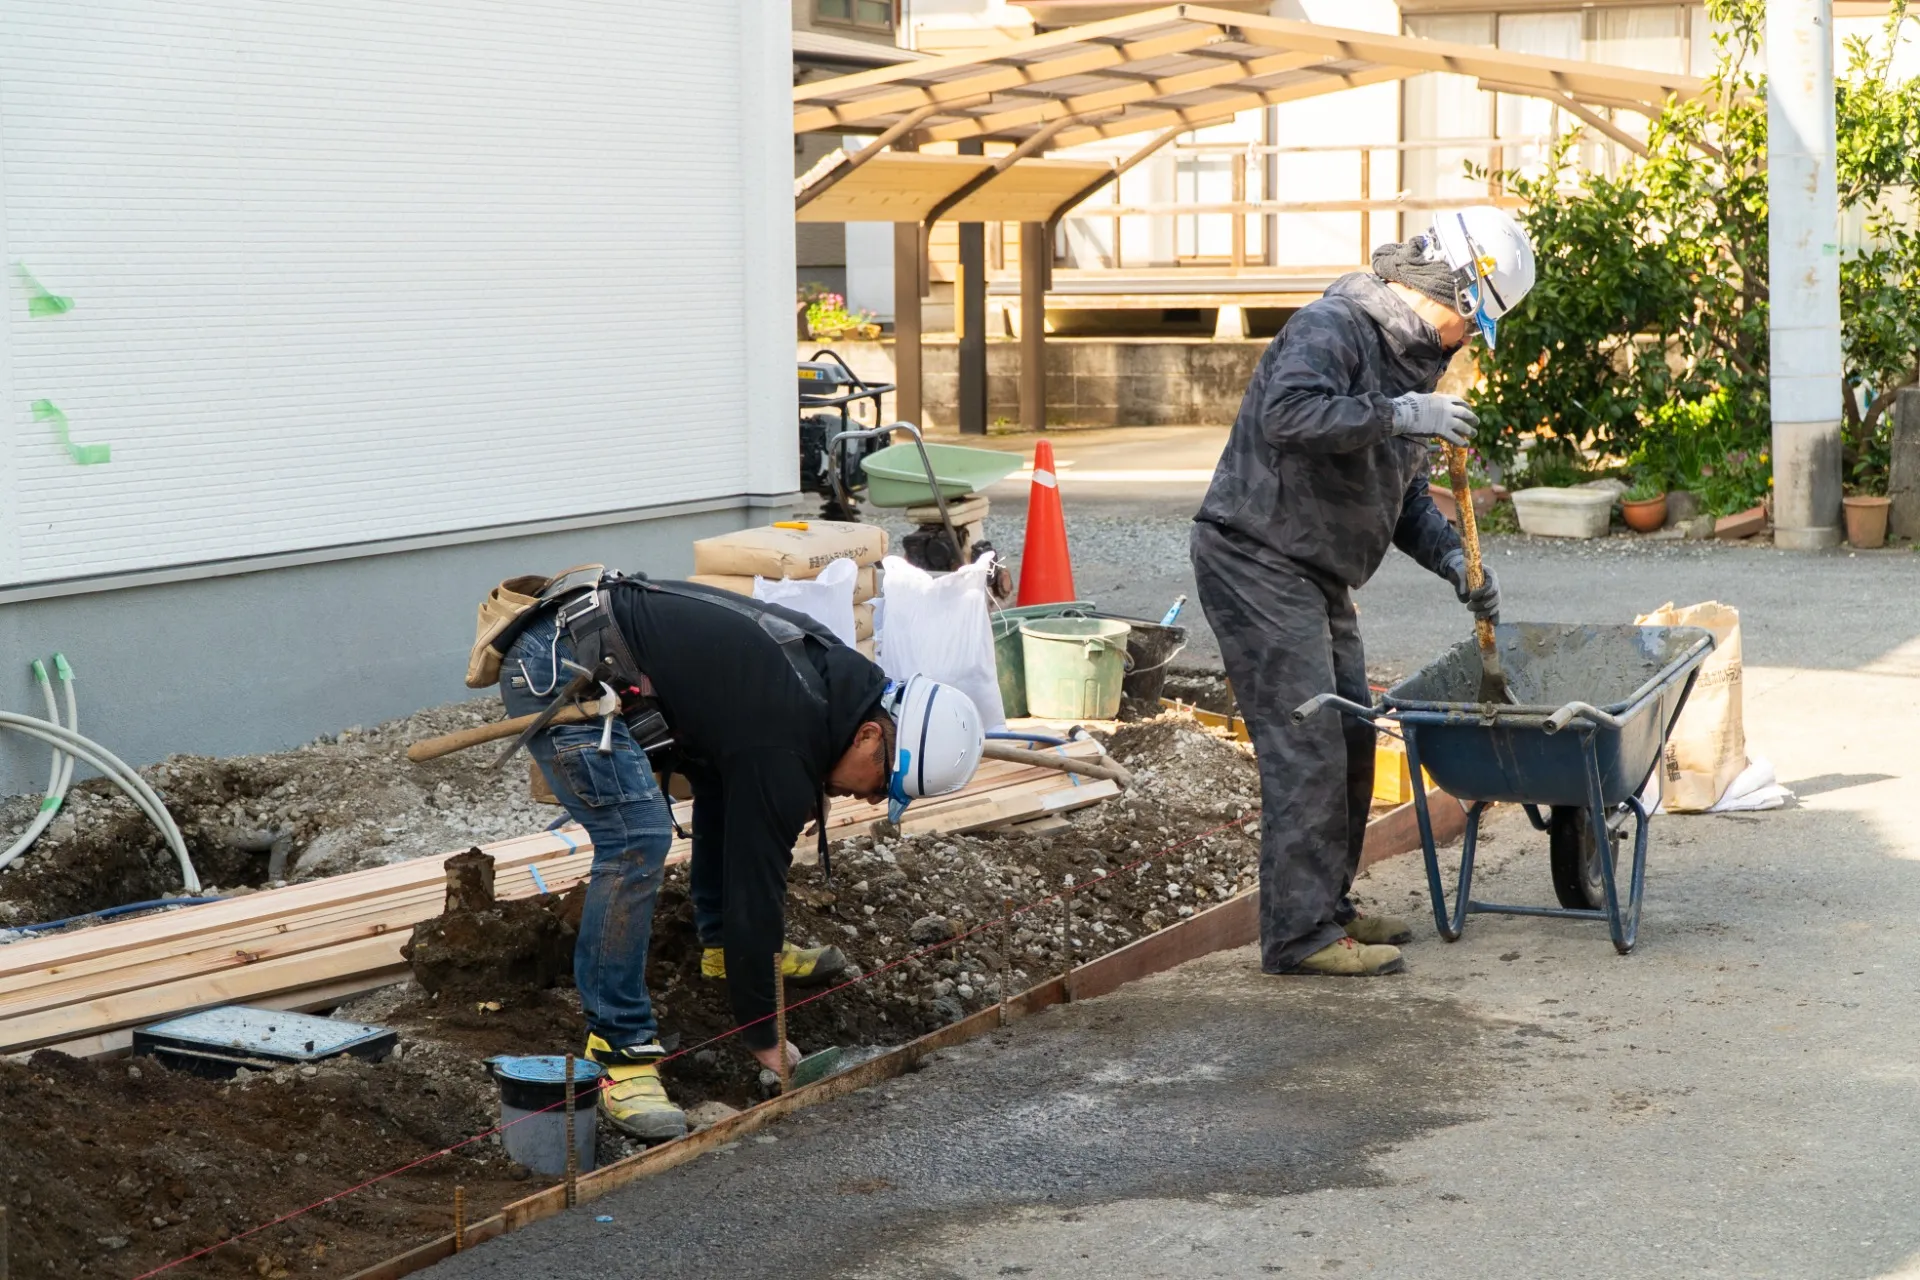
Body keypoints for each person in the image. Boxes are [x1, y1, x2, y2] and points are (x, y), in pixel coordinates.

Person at [497, 572, 985, 1138]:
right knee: (638, 838)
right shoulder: (786, 741)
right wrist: (764, 1034)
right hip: (562, 663)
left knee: (726, 784)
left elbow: (739, 805)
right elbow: (757, 888)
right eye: (884, 783)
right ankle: (618, 1048)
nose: (872, 798)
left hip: (597, 639)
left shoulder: (837, 692)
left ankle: (722, 951)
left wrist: (747, 955)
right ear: (871, 737)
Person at [1190, 207, 1535, 978]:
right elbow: (1288, 415)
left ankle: (1328, 908)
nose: (1470, 338)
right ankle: (1298, 936)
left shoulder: (1417, 362)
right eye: (1474, 321)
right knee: (1305, 744)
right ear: (1451, 287)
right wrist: (1398, 413)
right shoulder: (1336, 325)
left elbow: (1400, 492)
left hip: (1315, 568)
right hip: (1256, 554)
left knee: (1348, 741)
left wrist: (1454, 560)